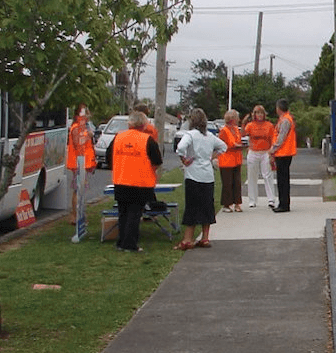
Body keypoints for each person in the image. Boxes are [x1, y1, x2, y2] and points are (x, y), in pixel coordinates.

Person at [107, 110, 163, 253]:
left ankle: (121, 242)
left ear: (129, 123)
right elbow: (157, 161)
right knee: (134, 214)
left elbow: (108, 157)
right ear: (144, 125)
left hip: (120, 180)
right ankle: (130, 244)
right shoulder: (147, 140)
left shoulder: (118, 137)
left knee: (123, 213)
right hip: (140, 182)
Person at [175, 107, 227, 250]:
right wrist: (212, 157)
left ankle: (187, 239)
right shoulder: (210, 136)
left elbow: (180, 148)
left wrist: (183, 159)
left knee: (192, 206)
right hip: (208, 176)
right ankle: (205, 237)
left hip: (193, 175)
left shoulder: (190, 135)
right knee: (207, 206)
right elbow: (223, 147)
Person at [66, 103, 96, 241]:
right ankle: (76, 215)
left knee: (80, 189)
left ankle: (79, 215)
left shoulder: (82, 127)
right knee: (78, 189)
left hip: (83, 162)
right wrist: (88, 135)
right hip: (78, 162)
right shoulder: (76, 128)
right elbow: (78, 142)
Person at [243, 105, 276, 209]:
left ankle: (271, 199)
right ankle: (252, 200)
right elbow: (243, 135)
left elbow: (273, 140)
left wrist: (272, 154)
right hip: (253, 152)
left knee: (267, 175)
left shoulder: (269, 125)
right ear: (254, 115)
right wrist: (243, 123)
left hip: (265, 152)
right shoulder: (250, 125)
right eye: (257, 113)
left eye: (261, 113)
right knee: (252, 176)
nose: (260, 115)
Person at [269, 98, 297, 213]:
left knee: (283, 180)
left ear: (278, 108)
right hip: (284, 152)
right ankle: (283, 203)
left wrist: (273, 149)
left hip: (283, 153)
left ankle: (284, 204)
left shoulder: (285, 120)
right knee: (282, 179)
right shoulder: (285, 119)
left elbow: (281, 138)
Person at [217, 109, 244, 212]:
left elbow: (238, 141)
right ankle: (226, 205)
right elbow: (222, 145)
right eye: (237, 117)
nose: (238, 119)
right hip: (226, 160)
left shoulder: (236, 129)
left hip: (236, 159)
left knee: (237, 182)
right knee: (227, 183)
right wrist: (233, 146)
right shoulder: (223, 131)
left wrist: (241, 145)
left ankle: (237, 203)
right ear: (232, 119)